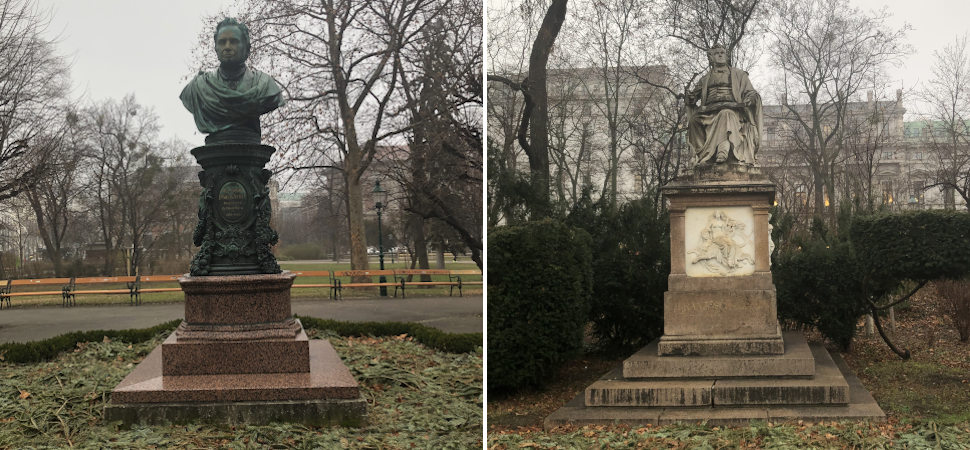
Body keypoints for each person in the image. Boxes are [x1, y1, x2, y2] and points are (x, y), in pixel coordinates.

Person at [180, 18, 285, 145]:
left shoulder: (265, 86)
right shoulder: (198, 87)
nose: (227, 47)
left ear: (247, 48)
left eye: (234, 42)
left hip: (249, 146)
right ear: (216, 48)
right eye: (222, 42)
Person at [685, 45, 762, 166]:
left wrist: (749, 99)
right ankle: (703, 155)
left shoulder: (739, 75)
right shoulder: (705, 79)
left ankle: (722, 151)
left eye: (722, 53)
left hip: (732, 109)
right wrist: (690, 98)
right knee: (694, 121)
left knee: (725, 114)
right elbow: (694, 96)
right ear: (711, 57)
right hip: (709, 111)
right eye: (717, 53)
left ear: (727, 56)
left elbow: (751, 92)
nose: (720, 55)